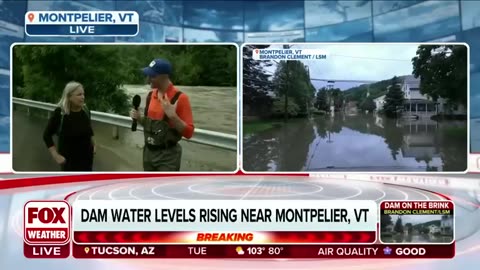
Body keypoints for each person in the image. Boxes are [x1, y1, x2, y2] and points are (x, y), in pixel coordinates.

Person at [130, 58, 194, 171]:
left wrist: (173, 116)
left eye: (152, 76)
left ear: (164, 77)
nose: (148, 79)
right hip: (148, 154)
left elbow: (189, 133)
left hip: (168, 158)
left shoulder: (180, 98)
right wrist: (139, 118)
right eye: (148, 75)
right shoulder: (150, 96)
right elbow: (150, 126)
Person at [43, 81, 95, 171]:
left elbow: (89, 131)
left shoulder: (86, 111)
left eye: (83, 94)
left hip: (87, 161)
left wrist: (94, 146)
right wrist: (56, 156)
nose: (83, 97)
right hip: (69, 163)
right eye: (79, 94)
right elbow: (46, 135)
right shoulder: (60, 114)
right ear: (69, 96)